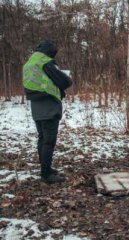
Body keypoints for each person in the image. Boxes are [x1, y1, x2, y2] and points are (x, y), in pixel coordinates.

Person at [23, 40, 72, 184]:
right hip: (49, 106)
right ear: (49, 52)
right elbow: (65, 82)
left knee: (42, 138)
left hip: (36, 106)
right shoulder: (46, 63)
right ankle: (46, 174)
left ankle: (45, 168)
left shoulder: (30, 64)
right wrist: (65, 76)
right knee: (49, 141)